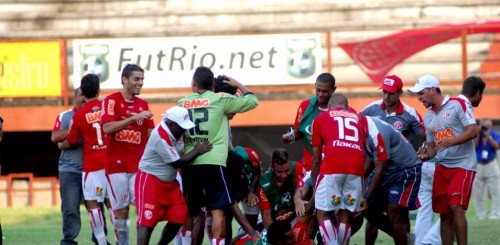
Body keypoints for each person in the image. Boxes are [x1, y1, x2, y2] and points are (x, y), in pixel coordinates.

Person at [177, 66, 258, 245]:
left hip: (190, 162)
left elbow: (173, 131)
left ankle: (184, 242)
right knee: (218, 209)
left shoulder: (182, 103)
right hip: (214, 162)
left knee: (191, 210)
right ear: (213, 84)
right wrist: (237, 84)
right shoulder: (219, 100)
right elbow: (252, 101)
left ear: (193, 83)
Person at [408, 74, 484, 245]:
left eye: (421, 93)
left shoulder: (458, 104)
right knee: (443, 212)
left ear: (433, 90)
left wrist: (452, 141)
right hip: (442, 166)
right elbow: (433, 148)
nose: (418, 97)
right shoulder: (428, 117)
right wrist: (425, 155)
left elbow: (473, 131)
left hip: (463, 165)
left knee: (455, 207)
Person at [360, 74, 425, 245]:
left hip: (400, 170)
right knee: (369, 208)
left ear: (399, 93)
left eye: (391, 93)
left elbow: (425, 136)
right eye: (384, 92)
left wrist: (422, 150)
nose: (386, 97)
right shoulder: (371, 109)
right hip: (377, 168)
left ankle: (405, 239)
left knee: (397, 210)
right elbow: (357, 126)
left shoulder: (410, 113)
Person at [135, 106, 212, 245]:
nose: (184, 130)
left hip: (170, 182)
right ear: (170, 123)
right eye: (180, 127)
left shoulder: (176, 131)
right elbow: (177, 162)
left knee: (179, 216)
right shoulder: (160, 136)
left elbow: (180, 155)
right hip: (151, 180)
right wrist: (197, 150)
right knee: (147, 222)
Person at [101, 64, 155, 244]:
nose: (140, 83)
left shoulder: (143, 104)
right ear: (125, 79)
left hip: (139, 167)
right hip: (116, 167)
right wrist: (133, 118)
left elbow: (150, 135)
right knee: (122, 210)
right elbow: (107, 128)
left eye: (142, 79)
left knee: (143, 208)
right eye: (136, 79)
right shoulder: (111, 101)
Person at [58, 74, 109, 244]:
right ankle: (118, 241)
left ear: (84, 92)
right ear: (98, 90)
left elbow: (70, 141)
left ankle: (101, 241)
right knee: (112, 206)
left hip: (92, 168)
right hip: (109, 167)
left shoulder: (79, 116)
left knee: (94, 206)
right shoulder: (108, 108)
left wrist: (61, 145)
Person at [311, 94, 366, 245]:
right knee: (346, 212)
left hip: (332, 171)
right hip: (355, 173)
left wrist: (316, 185)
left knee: (323, 212)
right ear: (347, 108)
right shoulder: (358, 119)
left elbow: (316, 158)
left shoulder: (321, 118)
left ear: (329, 107)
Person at [51, 87, 86, 245]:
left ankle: (100, 238)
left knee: (97, 208)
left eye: (87, 95)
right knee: (70, 209)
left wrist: (65, 143)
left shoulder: (98, 115)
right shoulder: (64, 116)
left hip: (93, 171)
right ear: (74, 98)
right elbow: (55, 137)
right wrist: (73, 129)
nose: (84, 98)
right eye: (81, 95)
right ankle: (68, 241)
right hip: (70, 171)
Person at [282, 73, 336, 171]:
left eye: (325, 91)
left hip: (332, 165)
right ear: (315, 85)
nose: (320, 94)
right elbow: (299, 131)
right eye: (318, 90)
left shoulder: (340, 109)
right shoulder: (305, 105)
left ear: (333, 89)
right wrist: (291, 136)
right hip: (309, 164)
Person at [257, 148, 309, 244]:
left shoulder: (298, 168)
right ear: (272, 167)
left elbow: (304, 197)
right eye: (279, 172)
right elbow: (266, 217)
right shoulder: (264, 184)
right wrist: (280, 237)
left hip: (295, 216)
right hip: (275, 223)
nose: (284, 175)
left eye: (287, 170)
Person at [473, 118, 500, 220]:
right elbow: (473, 147)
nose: (485, 128)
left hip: (491, 164)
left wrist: (488, 136)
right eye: (483, 127)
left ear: (491, 126)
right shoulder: (477, 135)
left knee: (495, 191)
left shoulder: (494, 134)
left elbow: (497, 146)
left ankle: (495, 213)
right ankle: (481, 214)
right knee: (478, 192)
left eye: (487, 127)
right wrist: (479, 134)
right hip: (479, 165)